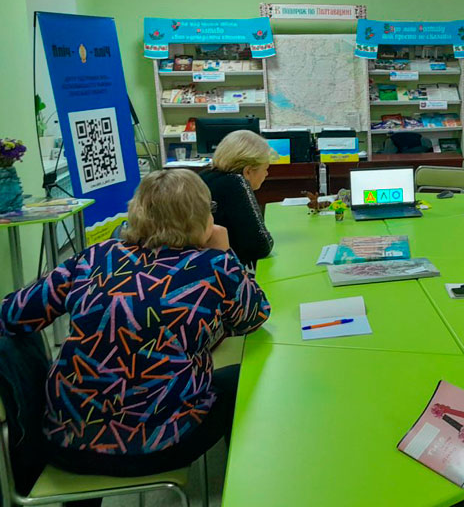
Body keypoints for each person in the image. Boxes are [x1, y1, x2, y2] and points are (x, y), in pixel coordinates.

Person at [0, 169, 270, 501]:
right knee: (242, 380)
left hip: (64, 443)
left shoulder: (94, 257)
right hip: (158, 446)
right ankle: (246, 490)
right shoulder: (214, 267)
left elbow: (10, 314)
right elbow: (253, 317)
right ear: (202, 216)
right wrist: (225, 253)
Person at [199, 129, 274, 270]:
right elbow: (261, 245)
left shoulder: (205, 176)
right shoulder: (236, 183)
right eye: (265, 168)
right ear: (248, 171)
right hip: (220, 271)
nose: (267, 174)